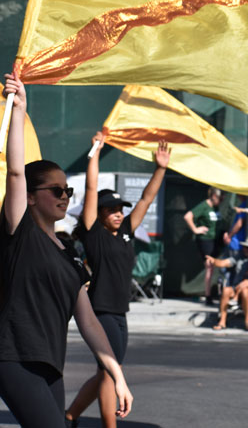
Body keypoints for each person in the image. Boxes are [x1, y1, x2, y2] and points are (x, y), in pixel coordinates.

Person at [0, 75, 132, 426]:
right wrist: (19, 111)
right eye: (55, 190)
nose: (63, 197)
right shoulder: (20, 232)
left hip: (50, 365)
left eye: (67, 192)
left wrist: (116, 374)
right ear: (31, 195)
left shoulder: (70, 252)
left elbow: (87, 321)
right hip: (13, 358)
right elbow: (15, 172)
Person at [65, 132, 169, 427]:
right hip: (101, 311)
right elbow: (92, 185)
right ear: (98, 214)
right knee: (112, 371)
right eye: (111, 210)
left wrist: (160, 168)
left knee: (105, 371)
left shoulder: (125, 233)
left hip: (120, 311)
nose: (118, 214)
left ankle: (70, 414)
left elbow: (147, 198)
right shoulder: (93, 232)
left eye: (120, 209)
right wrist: (95, 151)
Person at [206, 235, 248, 331]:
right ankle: (222, 321)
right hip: (236, 286)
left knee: (245, 291)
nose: (245, 249)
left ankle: (247, 322)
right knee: (226, 290)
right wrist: (214, 261)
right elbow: (224, 263)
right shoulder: (239, 257)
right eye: (245, 247)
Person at [184, 186, 222, 304]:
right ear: (214, 196)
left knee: (217, 266)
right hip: (206, 240)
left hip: (217, 240)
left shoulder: (216, 207)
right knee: (209, 266)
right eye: (220, 198)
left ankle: (218, 293)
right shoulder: (204, 206)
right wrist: (195, 229)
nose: (221, 201)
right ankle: (208, 295)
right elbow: (188, 216)